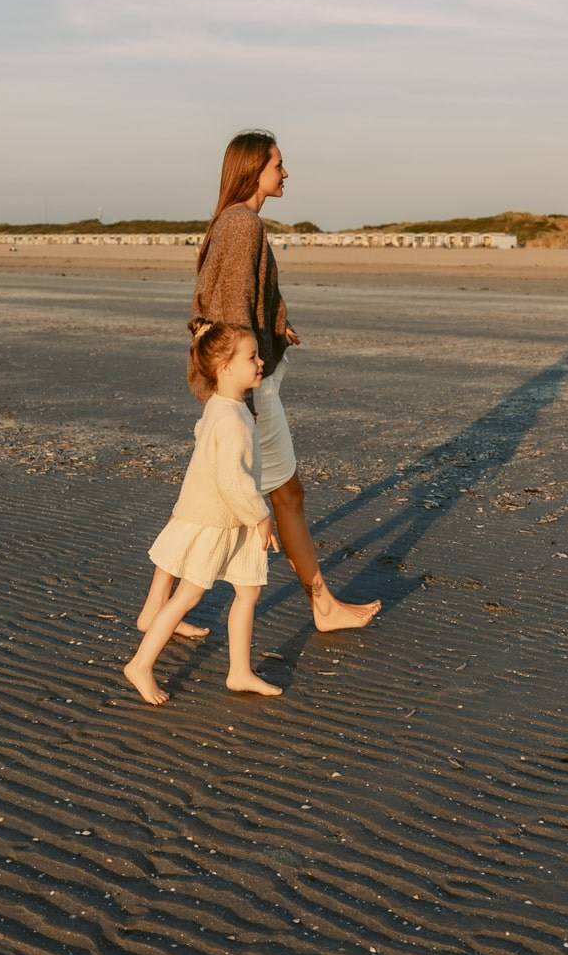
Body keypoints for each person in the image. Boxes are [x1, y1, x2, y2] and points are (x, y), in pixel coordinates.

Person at [184, 128, 379, 631]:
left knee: (203, 497)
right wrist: (242, 391)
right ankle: (324, 606)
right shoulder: (244, 223)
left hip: (238, 379)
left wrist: (276, 325)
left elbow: (226, 299)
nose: (286, 172)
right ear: (255, 170)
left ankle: (157, 612)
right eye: (278, 164)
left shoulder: (229, 222)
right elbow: (227, 310)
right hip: (249, 386)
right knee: (285, 495)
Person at [125, 322, 281, 705]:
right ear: (225, 368)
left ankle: (239, 671)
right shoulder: (230, 418)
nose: (261, 362)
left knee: (249, 591)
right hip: (219, 520)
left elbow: (203, 437)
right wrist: (261, 516)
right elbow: (232, 480)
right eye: (252, 357)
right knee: (187, 597)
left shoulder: (222, 406)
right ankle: (141, 664)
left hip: (232, 519)